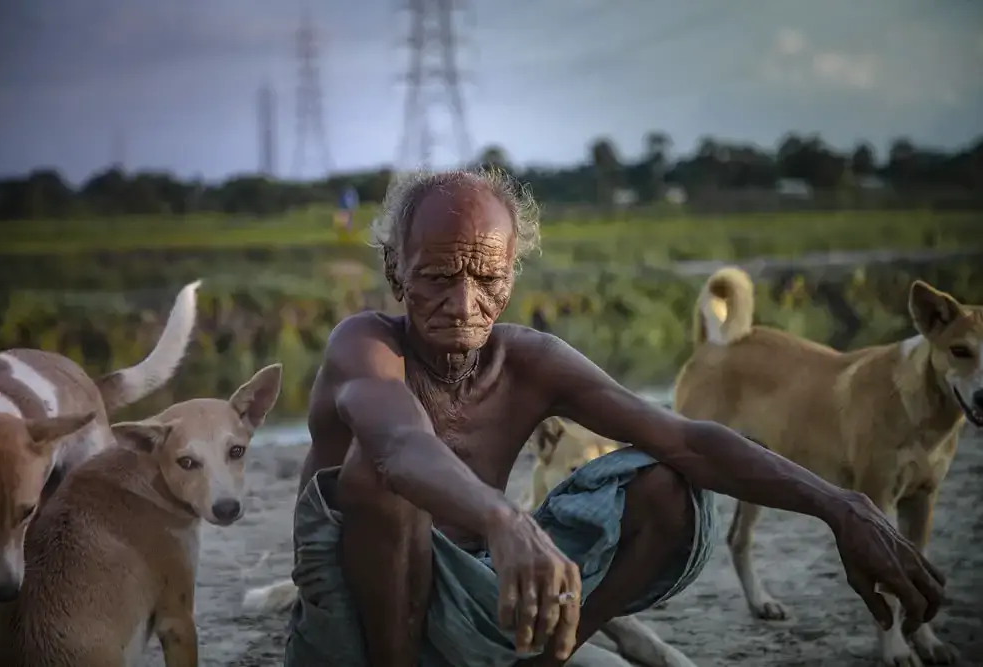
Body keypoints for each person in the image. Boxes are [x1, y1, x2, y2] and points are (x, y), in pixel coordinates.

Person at [284, 169, 945, 667]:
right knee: (378, 475)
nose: (464, 302)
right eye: (436, 276)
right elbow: (399, 442)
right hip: (362, 625)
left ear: (512, 275)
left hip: (480, 596)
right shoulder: (363, 345)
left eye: (487, 278)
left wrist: (841, 506)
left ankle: (548, 658)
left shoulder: (528, 360)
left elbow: (687, 438)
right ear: (394, 270)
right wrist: (505, 515)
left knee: (669, 481)